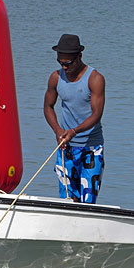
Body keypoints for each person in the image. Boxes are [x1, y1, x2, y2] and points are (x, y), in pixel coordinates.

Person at [43, 34, 105, 204]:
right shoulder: (56, 78)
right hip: (66, 148)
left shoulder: (95, 79)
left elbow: (96, 114)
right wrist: (58, 131)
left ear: (79, 57)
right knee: (68, 200)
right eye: (60, 63)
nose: (64, 67)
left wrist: (74, 131)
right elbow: (48, 106)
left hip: (91, 148)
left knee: (87, 200)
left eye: (68, 63)